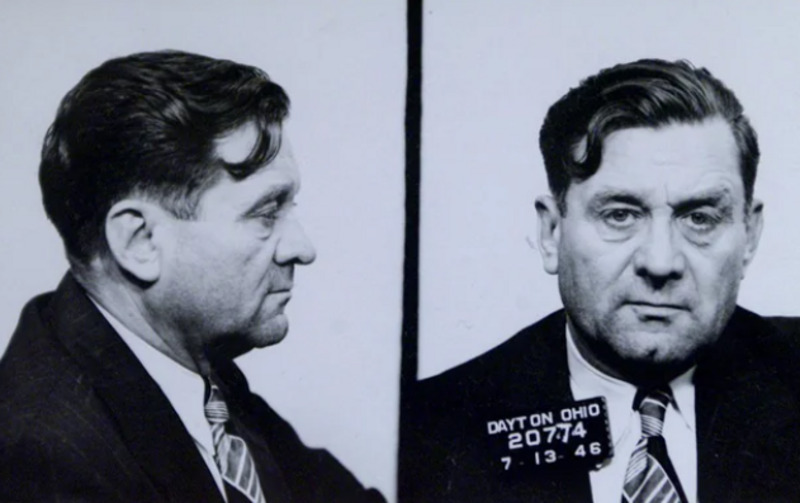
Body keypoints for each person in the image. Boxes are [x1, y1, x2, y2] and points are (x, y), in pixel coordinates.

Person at [400, 59, 800, 502]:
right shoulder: (434, 430)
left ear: (750, 236)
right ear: (552, 233)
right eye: (620, 215)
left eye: (699, 218)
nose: (661, 261)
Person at [0, 50, 384, 503]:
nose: (303, 248)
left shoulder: (200, 379)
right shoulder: (45, 459)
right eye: (265, 212)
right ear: (139, 241)